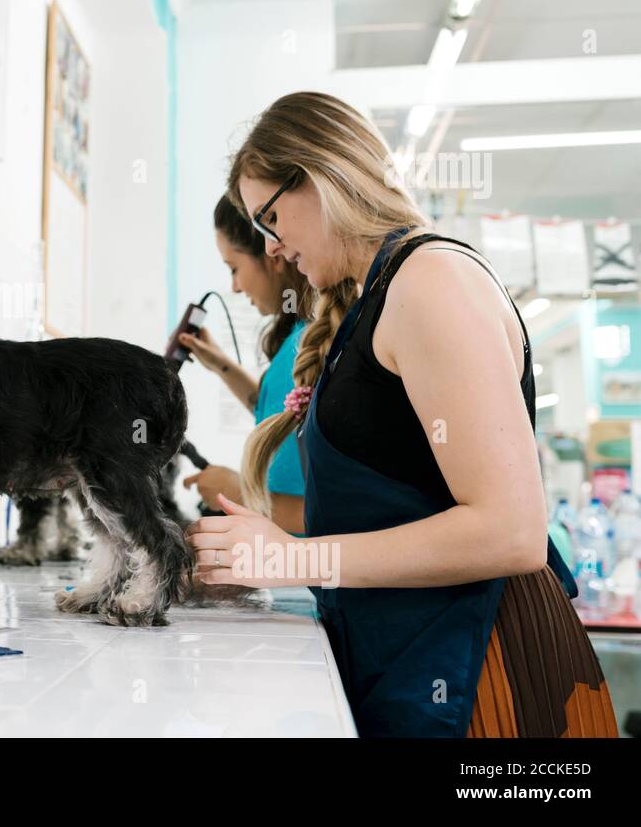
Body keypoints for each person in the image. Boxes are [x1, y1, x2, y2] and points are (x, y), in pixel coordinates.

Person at [187, 91, 617, 738]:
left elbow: (511, 532)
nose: (272, 250)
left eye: (272, 218)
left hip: (477, 675)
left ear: (324, 177)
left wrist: (294, 558)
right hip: (406, 659)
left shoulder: (432, 280)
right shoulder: (373, 301)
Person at [178, 196, 312, 534]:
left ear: (272, 253)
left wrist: (236, 493)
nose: (235, 287)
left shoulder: (311, 345)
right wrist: (222, 365)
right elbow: (275, 411)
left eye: (234, 268)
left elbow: (324, 519)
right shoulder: (298, 339)